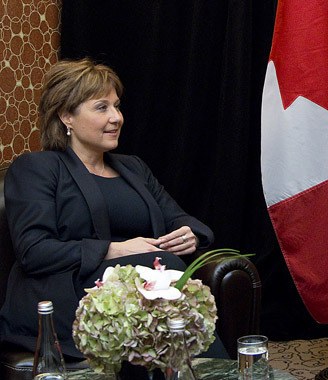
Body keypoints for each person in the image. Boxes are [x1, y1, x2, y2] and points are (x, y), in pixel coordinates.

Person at [0, 58, 218, 360]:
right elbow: (33, 251)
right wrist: (115, 250)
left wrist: (189, 234)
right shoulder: (37, 168)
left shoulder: (133, 167)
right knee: (167, 270)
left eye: (117, 106)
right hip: (72, 291)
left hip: (142, 289)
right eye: (102, 107)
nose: (116, 117)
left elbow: (177, 216)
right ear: (66, 116)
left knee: (165, 274)